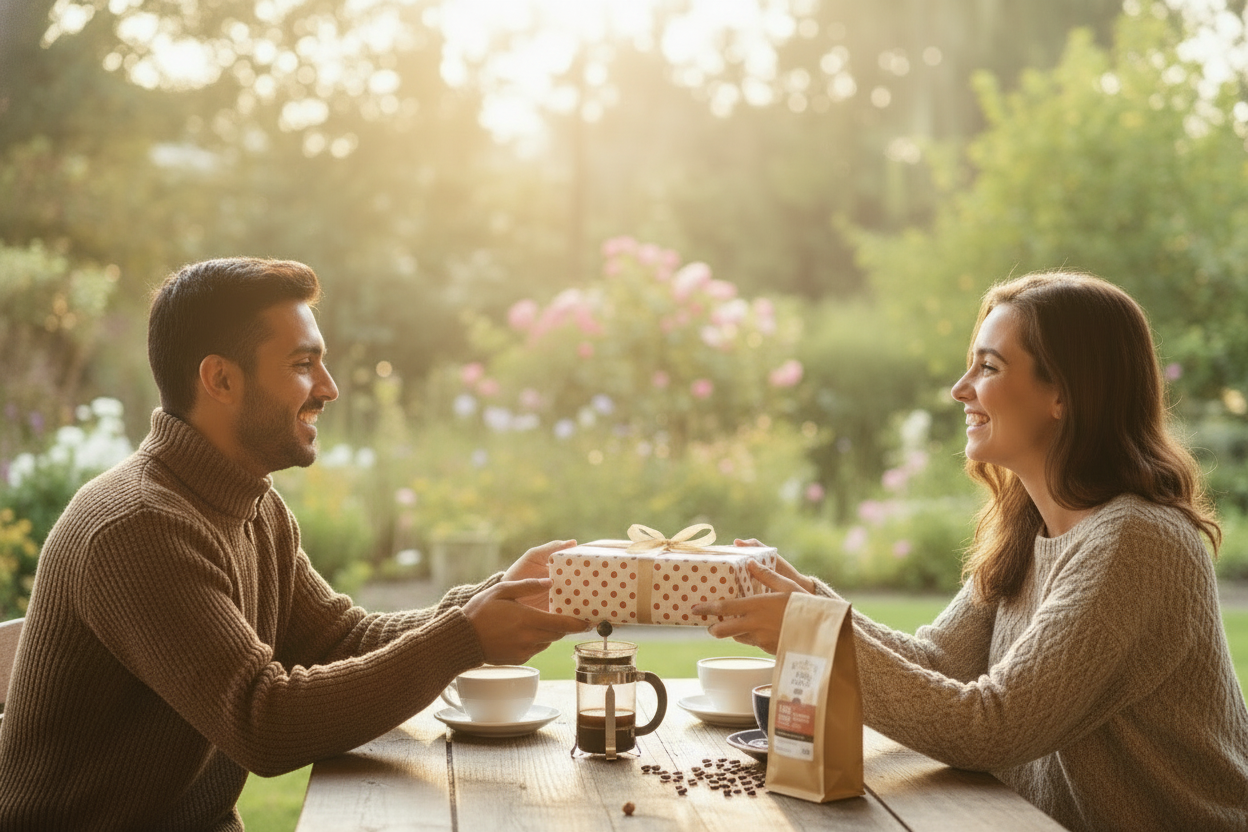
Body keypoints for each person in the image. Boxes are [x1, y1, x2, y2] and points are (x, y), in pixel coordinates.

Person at [0, 257, 590, 830]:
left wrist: (496, 597)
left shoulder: (252, 505)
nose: (329, 388)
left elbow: (340, 640)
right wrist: (465, 637)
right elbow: (264, 721)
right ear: (221, 379)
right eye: (304, 364)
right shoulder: (136, 528)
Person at [694, 272, 1248, 831]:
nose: (961, 389)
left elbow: (990, 728)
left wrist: (812, 629)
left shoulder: (1138, 542)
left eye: (989, 367)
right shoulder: (1030, 524)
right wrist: (810, 604)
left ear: (1064, 393)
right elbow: (938, 663)